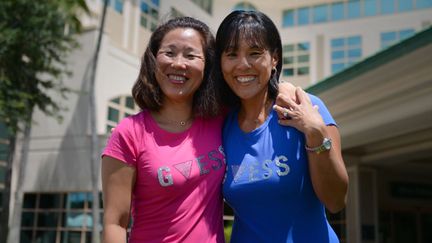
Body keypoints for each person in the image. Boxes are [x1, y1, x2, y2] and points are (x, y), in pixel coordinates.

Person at [215, 11, 349, 243]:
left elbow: (336, 201)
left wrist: (316, 133)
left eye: (255, 53)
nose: (243, 65)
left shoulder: (306, 107)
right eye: (232, 54)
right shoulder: (221, 123)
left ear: (274, 58)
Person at [101, 17, 226, 243]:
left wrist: (287, 91)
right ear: (153, 60)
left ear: (207, 66)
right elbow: (115, 223)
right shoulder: (129, 133)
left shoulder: (221, 120)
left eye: (191, 55)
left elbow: (260, 98)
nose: (179, 64)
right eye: (169, 53)